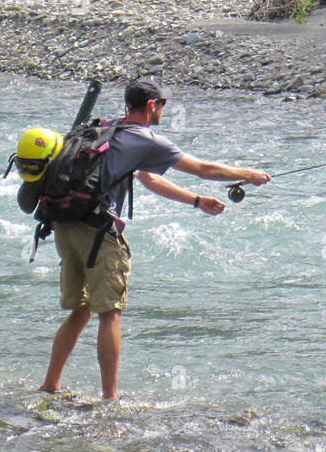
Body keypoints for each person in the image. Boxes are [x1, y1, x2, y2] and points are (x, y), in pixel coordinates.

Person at [40, 77, 270, 399]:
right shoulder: (146, 140)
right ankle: (111, 398)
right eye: (163, 104)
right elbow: (204, 168)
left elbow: (148, 179)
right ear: (151, 106)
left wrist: (195, 201)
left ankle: (50, 384)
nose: (164, 109)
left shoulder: (108, 130)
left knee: (81, 309)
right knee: (111, 313)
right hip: (97, 232)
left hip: (65, 224)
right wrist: (249, 174)